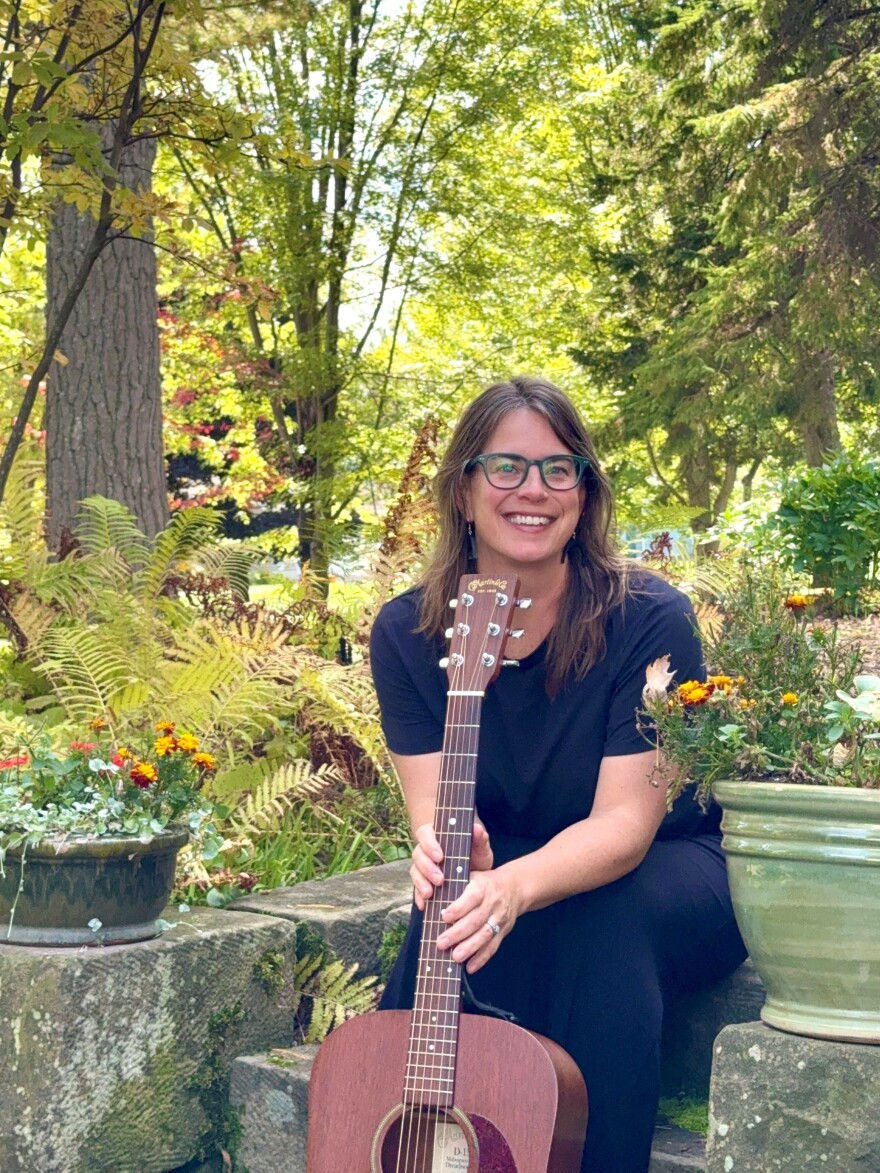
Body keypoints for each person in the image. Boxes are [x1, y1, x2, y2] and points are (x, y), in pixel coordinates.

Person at [369, 376, 746, 1173]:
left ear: (585, 491)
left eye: (558, 468)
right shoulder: (407, 631)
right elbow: (436, 814)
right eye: (505, 467)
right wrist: (449, 857)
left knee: (597, 914)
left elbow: (623, 828)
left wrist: (511, 889)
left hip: (666, 868)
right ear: (464, 490)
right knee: (444, 915)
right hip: (512, 859)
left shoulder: (649, 618)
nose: (532, 490)